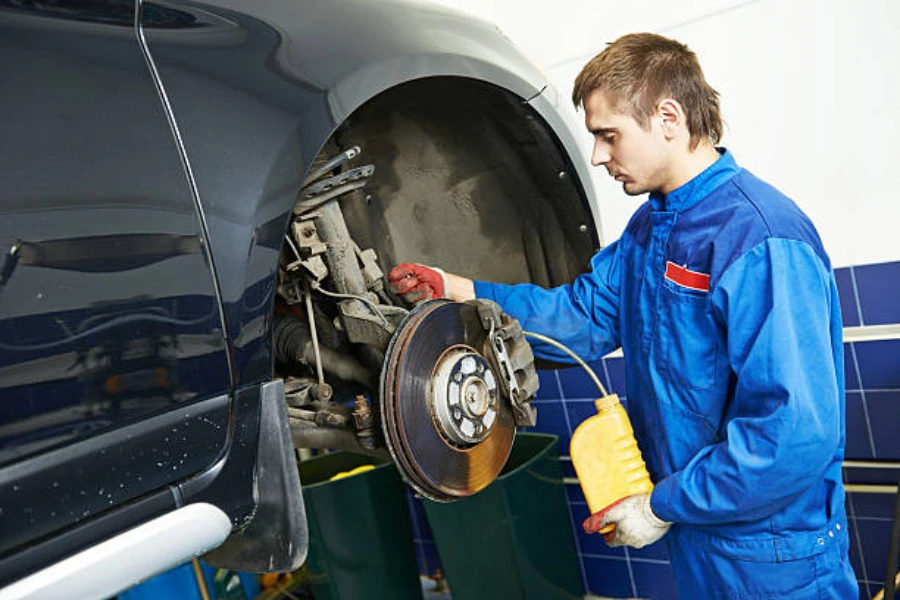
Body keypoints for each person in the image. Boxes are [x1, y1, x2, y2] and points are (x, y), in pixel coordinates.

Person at [388, 32, 858, 599]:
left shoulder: (760, 237)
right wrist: (461, 292)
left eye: (608, 136)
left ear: (667, 118)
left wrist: (662, 505)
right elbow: (582, 317)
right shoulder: (651, 230)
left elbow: (793, 434)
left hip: (771, 551)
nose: (597, 157)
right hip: (704, 535)